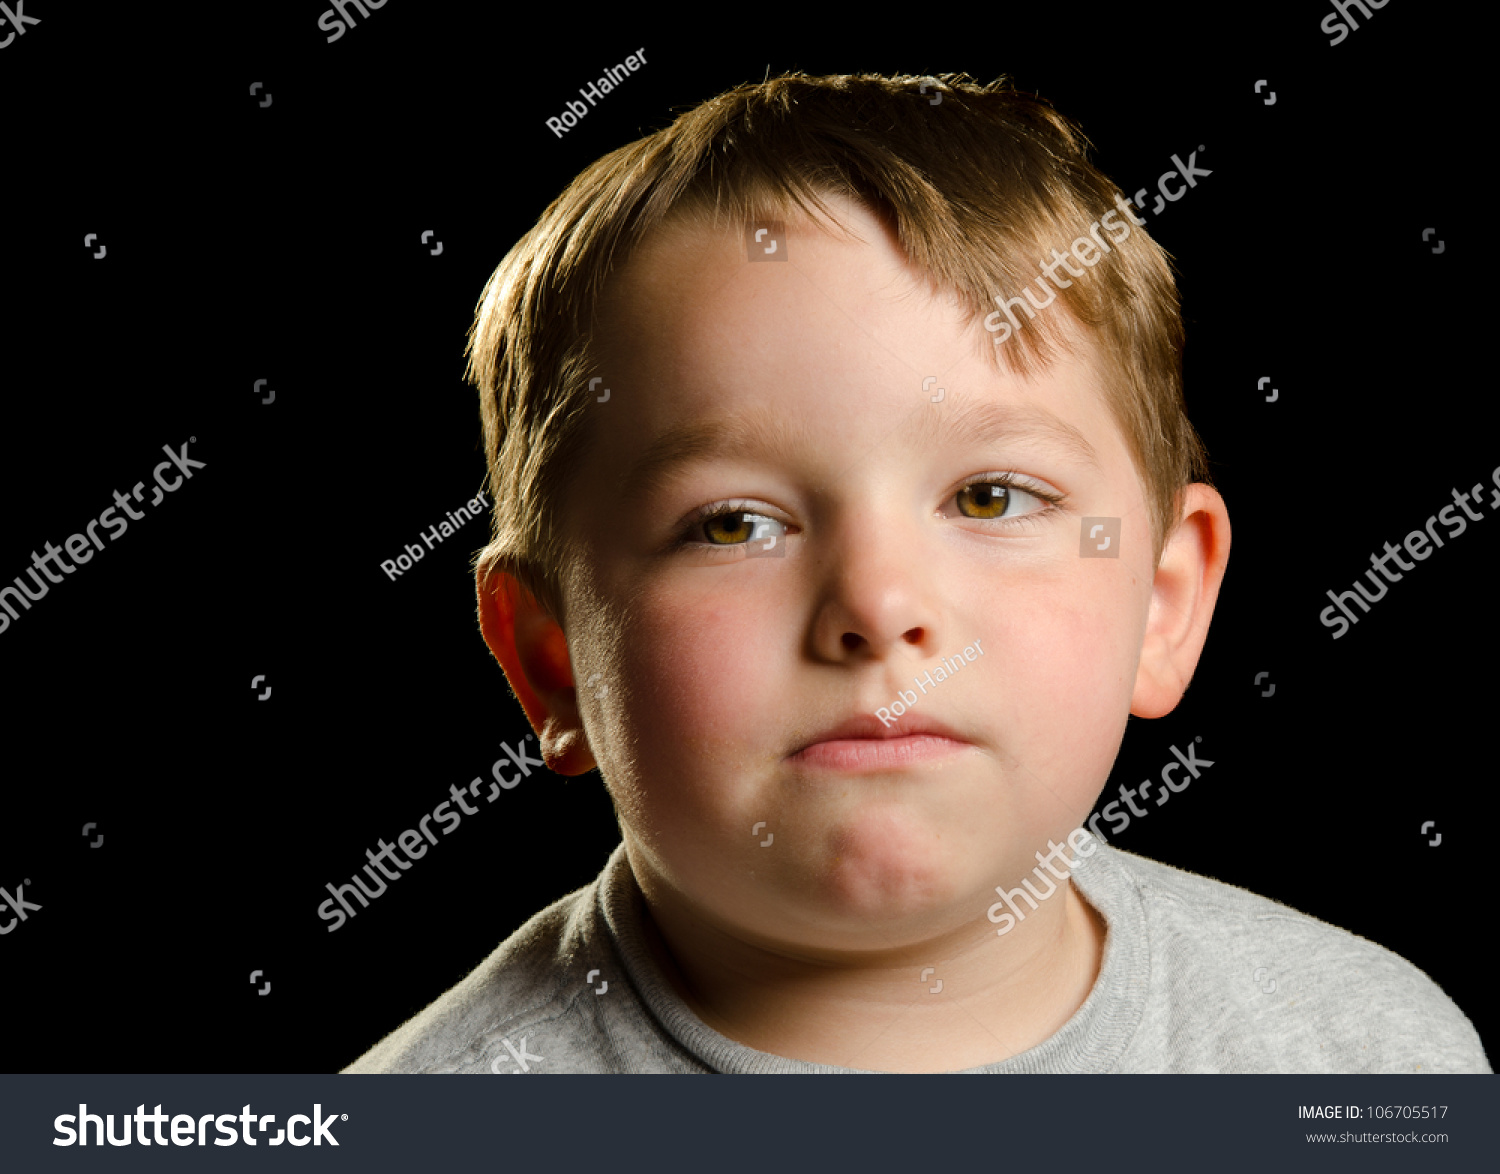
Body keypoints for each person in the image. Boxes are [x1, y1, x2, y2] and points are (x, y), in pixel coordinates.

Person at [342, 72, 1488, 1074]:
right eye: (734, 523)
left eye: (991, 497)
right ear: (549, 658)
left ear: (1165, 600)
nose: (880, 610)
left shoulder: (1365, 1059)